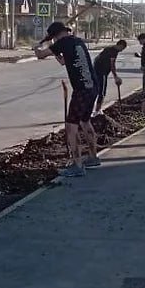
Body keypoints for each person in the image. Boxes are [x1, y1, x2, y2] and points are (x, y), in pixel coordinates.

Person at [34, 22, 100, 177]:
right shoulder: (77, 41)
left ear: (56, 35)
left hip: (81, 90)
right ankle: (93, 157)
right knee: (85, 121)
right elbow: (63, 61)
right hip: (92, 87)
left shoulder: (63, 42)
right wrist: (53, 47)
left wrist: (36, 48)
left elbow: (40, 55)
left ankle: (77, 165)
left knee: (71, 126)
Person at [92, 39, 127, 116]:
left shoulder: (108, 48)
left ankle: (94, 109)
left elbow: (97, 59)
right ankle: (97, 111)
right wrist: (115, 77)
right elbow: (112, 65)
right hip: (102, 72)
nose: (121, 50)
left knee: (95, 90)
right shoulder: (114, 51)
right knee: (102, 92)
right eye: (122, 48)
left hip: (96, 71)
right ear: (120, 45)